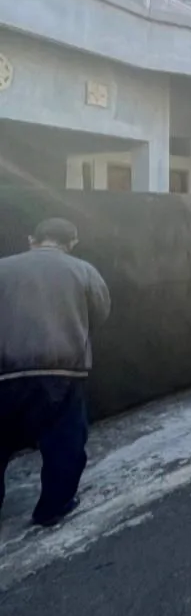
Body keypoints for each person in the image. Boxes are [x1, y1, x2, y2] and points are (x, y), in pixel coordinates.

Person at [0, 218, 110, 527]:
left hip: (4, 370)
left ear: (32, 239)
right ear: (72, 242)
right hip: (62, 369)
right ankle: (53, 507)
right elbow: (101, 312)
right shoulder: (83, 271)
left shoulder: (3, 268)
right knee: (64, 441)